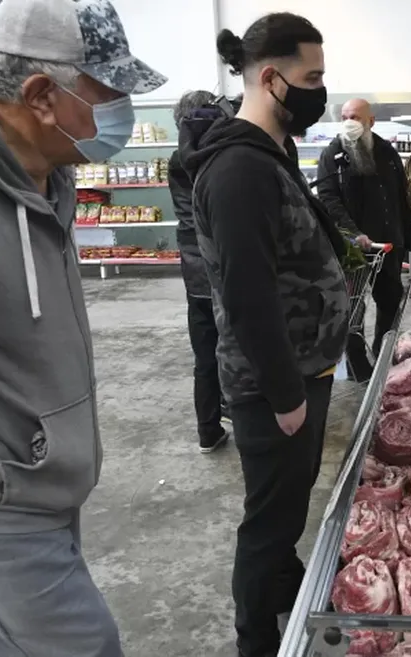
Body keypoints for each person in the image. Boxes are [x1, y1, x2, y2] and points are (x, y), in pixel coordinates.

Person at [0, 0, 165, 654]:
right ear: (42, 96)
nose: (121, 113)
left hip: (42, 478)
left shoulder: (47, 173)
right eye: (109, 94)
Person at [179, 13, 350, 657]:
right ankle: (256, 638)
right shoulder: (237, 171)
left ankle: (288, 586)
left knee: (285, 508)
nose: (320, 90)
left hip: (304, 368)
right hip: (273, 383)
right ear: (272, 78)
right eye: (313, 78)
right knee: (268, 521)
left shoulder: (269, 153)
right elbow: (248, 299)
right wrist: (285, 396)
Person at [316, 98, 411, 370]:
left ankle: (382, 353)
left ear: (370, 121)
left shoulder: (386, 151)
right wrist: (353, 232)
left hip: (388, 244)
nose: (350, 122)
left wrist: (407, 237)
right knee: (352, 308)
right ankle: (358, 365)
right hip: (354, 248)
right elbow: (328, 199)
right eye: (345, 116)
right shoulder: (333, 155)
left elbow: (399, 197)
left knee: (390, 299)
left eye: (356, 117)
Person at [168, 89, 233, 454]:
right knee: (240, 345)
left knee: (205, 352)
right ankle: (242, 412)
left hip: (194, 269)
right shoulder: (214, 158)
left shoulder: (177, 158)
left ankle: (208, 429)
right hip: (222, 265)